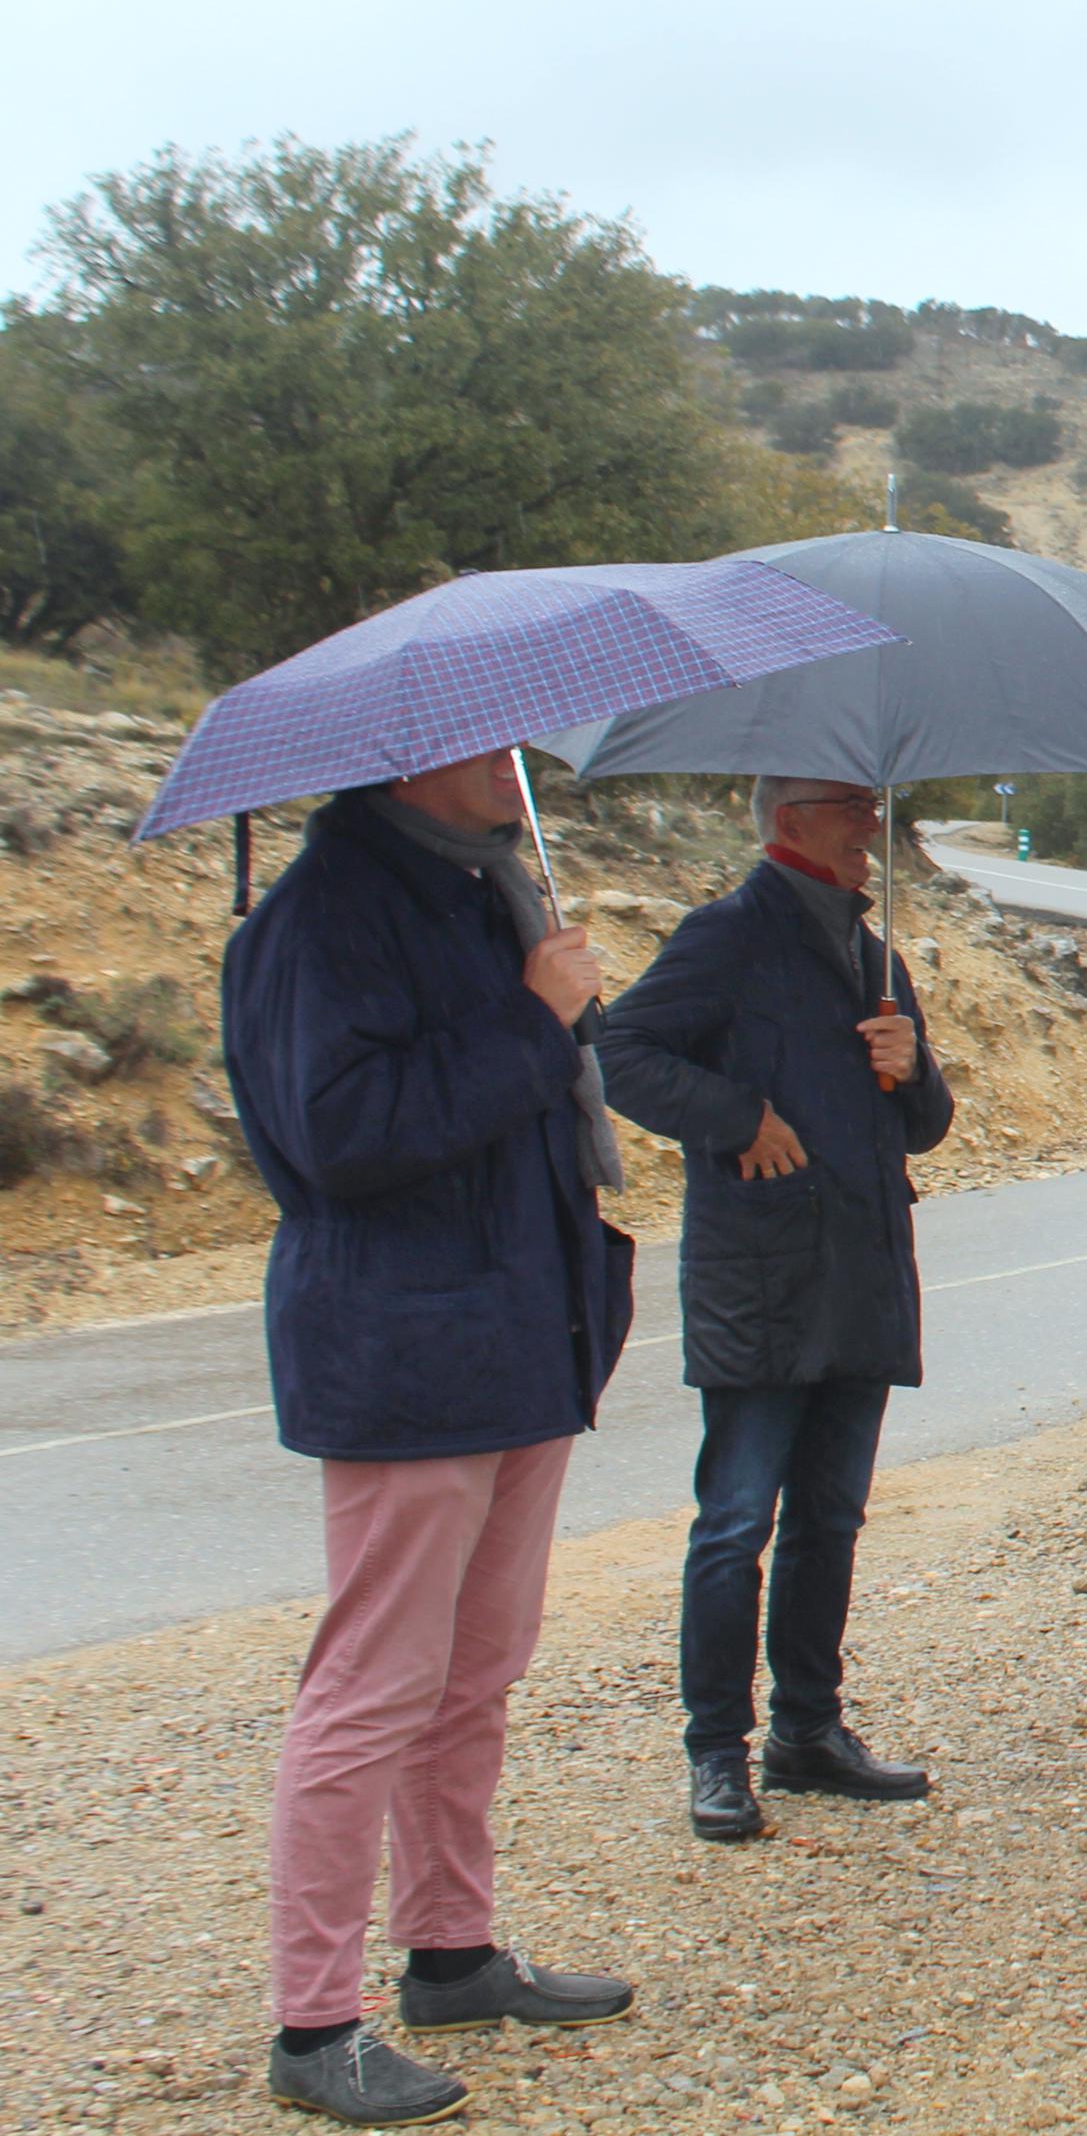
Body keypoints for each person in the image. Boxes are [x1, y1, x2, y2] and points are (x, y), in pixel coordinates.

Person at [226, 750, 640, 2125]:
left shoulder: (481, 892)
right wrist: (531, 1019)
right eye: (494, 740)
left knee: (475, 1669)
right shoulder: (321, 917)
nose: (520, 763)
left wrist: (546, 1008)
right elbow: (337, 1134)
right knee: (371, 1686)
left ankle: (451, 1948)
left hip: (519, 1333)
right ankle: (313, 2019)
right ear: (411, 757)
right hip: (407, 1344)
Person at [598, 777, 956, 1845]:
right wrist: (735, 1113)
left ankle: (806, 1729)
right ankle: (716, 1751)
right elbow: (620, 1054)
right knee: (736, 1522)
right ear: (786, 817)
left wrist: (913, 1068)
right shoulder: (724, 935)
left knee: (829, 1521)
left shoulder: (874, 953)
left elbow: (925, 1126)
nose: (869, 826)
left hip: (861, 1269)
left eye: (870, 804)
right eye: (847, 805)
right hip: (758, 1277)